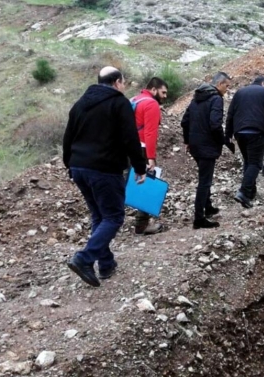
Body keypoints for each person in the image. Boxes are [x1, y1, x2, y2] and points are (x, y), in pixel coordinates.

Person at [62, 66, 147, 287]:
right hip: (104, 169)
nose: (124, 86)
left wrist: (69, 165)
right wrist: (140, 166)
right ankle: (84, 259)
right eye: (124, 82)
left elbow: (68, 137)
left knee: (99, 216)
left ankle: (106, 264)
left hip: (79, 167)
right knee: (114, 217)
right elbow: (130, 138)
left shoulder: (80, 104)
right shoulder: (119, 103)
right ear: (117, 82)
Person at [181, 72, 231, 229]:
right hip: (207, 146)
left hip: (195, 145)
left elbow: (184, 121)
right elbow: (215, 125)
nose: (227, 90)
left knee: (204, 176)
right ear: (220, 84)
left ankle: (207, 207)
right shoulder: (216, 99)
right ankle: (199, 218)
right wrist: (221, 141)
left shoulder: (197, 97)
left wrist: (188, 141)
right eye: (227, 86)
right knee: (205, 181)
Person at [225, 75, 264, 208]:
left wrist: (228, 134)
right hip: (257, 132)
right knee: (255, 163)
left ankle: (250, 193)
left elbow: (230, 113)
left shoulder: (240, 92)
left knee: (248, 162)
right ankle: (243, 192)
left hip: (239, 132)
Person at [131, 77, 168, 235]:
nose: (165, 96)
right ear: (153, 89)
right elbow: (150, 132)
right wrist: (151, 157)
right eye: (163, 92)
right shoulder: (151, 104)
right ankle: (142, 224)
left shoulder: (134, 99)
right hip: (143, 149)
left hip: (127, 148)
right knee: (146, 183)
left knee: (126, 182)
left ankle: (110, 220)